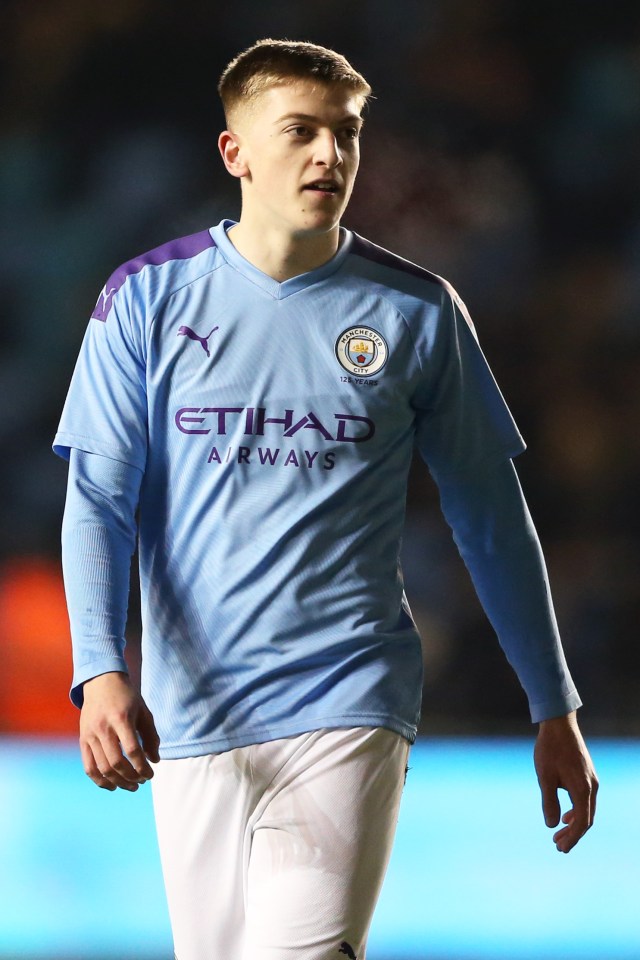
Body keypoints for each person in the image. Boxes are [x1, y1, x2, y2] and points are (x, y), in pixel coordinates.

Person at [54, 38, 598, 960]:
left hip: (349, 696)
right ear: (237, 153)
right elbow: (99, 497)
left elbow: (492, 517)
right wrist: (100, 669)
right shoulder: (144, 300)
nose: (329, 156)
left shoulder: (416, 310)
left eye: (346, 134)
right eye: (301, 132)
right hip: (189, 713)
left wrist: (555, 705)